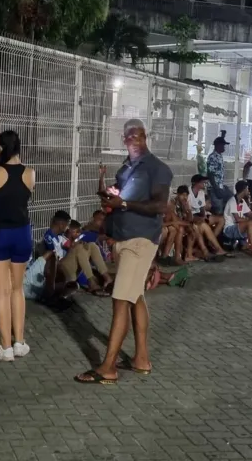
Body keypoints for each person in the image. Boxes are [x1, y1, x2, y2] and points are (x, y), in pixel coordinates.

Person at [74, 119, 173, 385]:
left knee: (120, 301)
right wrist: (112, 197)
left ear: (145, 136)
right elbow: (121, 200)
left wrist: (125, 202)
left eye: (138, 135)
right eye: (129, 136)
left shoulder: (157, 168)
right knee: (135, 297)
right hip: (124, 240)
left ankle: (108, 367)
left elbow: (160, 206)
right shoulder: (126, 168)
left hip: (140, 242)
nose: (133, 140)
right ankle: (141, 358)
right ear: (124, 138)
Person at [0, 130, 35, 361]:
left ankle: (5, 346)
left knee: (0, 291)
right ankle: (20, 341)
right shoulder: (30, 173)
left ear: (0, 147)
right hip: (22, 233)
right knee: (17, 289)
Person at [186, 175, 229, 258]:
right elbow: (188, 213)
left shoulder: (201, 193)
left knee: (221, 219)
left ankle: (211, 240)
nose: (205, 184)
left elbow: (202, 209)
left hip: (199, 215)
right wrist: (200, 218)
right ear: (195, 183)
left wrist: (203, 217)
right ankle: (217, 248)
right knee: (203, 225)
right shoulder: (188, 193)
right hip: (191, 217)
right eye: (203, 182)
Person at [223, 181, 252, 257]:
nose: (249, 191)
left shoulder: (242, 201)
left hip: (240, 227)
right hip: (230, 229)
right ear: (244, 190)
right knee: (250, 223)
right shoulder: (232, 201)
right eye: (247, 189)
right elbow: (237, 219)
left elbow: (251, 215)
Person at [206, 131, 231, 209]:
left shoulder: (219, 155)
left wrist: (222, 136)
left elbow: (219, 141)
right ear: (218, 145)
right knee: (218, 208)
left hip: (220, 186)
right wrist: (216, 188)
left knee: (230, 201)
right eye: (223, 145)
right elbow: (210, 173)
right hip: (214, 187)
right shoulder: (213, 157)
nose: (224, 147)